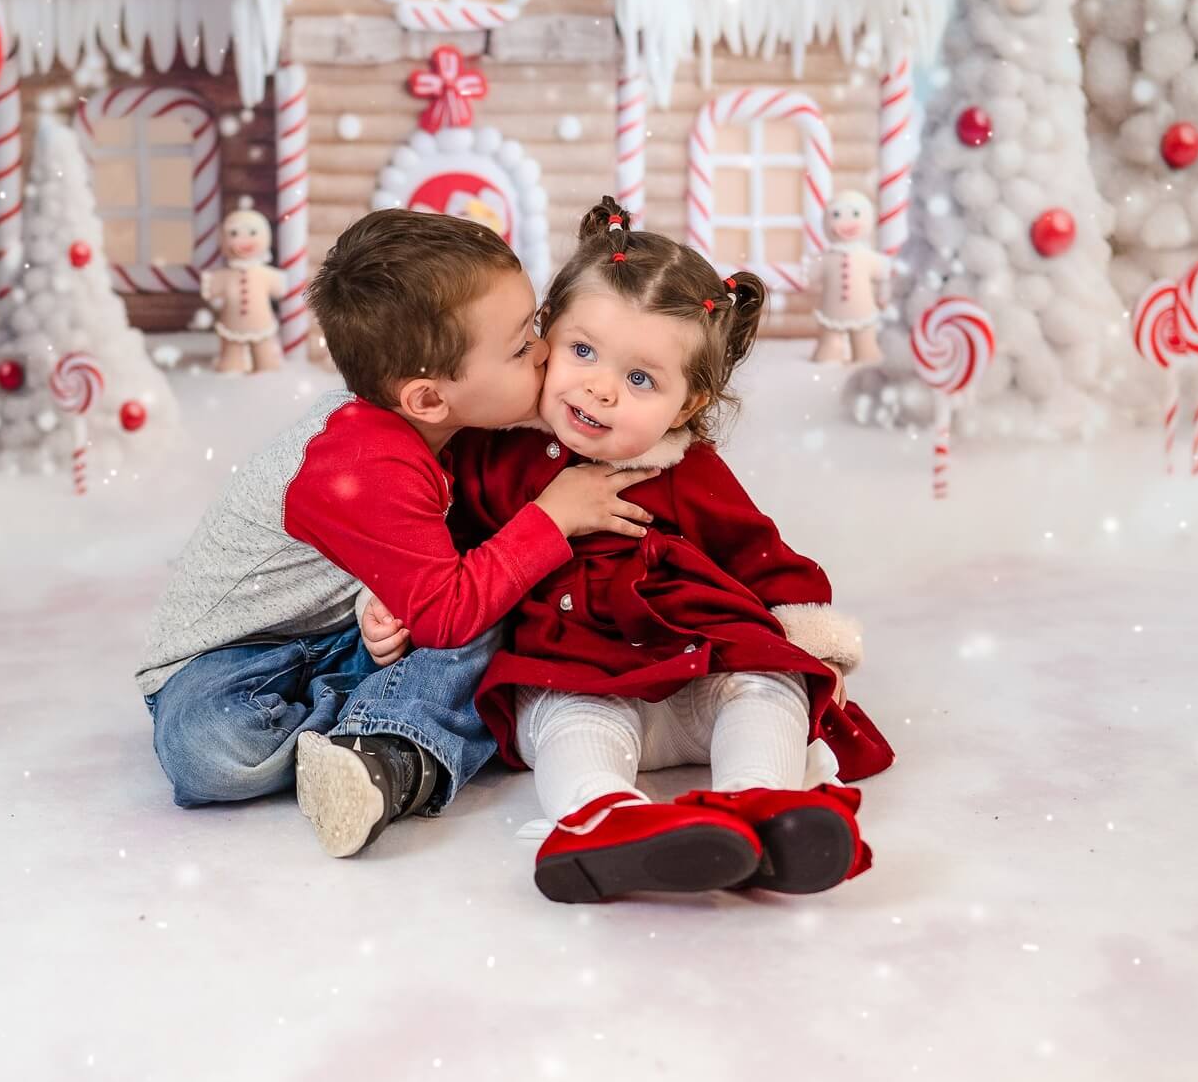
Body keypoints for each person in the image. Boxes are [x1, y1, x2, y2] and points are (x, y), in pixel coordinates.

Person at [372, 196, 894, 902]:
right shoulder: (488, 455)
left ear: (684, 405)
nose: (600, 388)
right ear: (544, 335)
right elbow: (435, 545)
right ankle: (606, 818)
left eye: (640, 378)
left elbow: (761, 554)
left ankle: (762, 806)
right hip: (577, 669)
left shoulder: (684, 468)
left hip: (700, 664)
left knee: (769, 686)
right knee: (561, 722)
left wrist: (814, 646)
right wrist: (389, 601)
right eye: (583, 351)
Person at [136, 209, 654, 858]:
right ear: (429, 399)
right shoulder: (360, 462)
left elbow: (385, 557)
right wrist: (552, 516)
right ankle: (387, 728)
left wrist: (373, 608)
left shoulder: (437, 423)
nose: (546, 351)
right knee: (211, 753)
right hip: (227, 660)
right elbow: (443, 612)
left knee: (494, 607)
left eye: (538, 329)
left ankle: (372, 735)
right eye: (522, 346)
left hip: (339, 631)